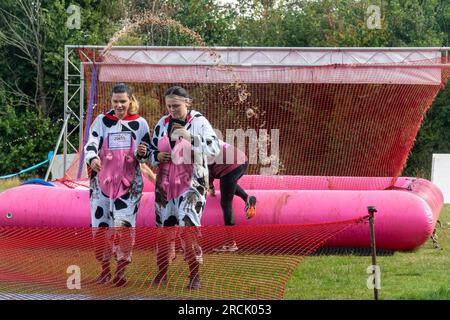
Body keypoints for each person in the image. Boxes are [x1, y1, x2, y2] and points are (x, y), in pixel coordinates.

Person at [147, 86, 219, 290]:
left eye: (176, 106)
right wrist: (157, 156)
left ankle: (194, 275)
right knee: (164, 229)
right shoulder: (162, 123)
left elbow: (214, 148)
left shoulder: (199, 122)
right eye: (169, 106)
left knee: (189, 227)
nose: (172, 110)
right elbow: (151, 150)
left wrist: (190, 138)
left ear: (187, 102)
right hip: (166, 185)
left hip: (192, 184)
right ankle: (162, 272)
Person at [84, 83, 151, 287]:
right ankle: (104, 271)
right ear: (111, 101)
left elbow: (147, 152)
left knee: (123, 227)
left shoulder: (140, 124)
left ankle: (120, 272)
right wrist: (92, 157)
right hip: (102, 184)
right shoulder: (102, 121)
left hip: (129, 187)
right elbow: (91, 143)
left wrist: (142, 152)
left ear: (130, 100)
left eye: (123, 101)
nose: (119, 105)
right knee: (101, 227)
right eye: (115, 101)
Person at [208, 140, 257, 252]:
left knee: (226, 203)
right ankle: (247, 198)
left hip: (230, 166)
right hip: (242, 159)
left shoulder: (196, 146)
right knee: (229, 184)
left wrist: (210, 186)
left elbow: (205, 170)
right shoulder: (207, 135)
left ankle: (231, 243)